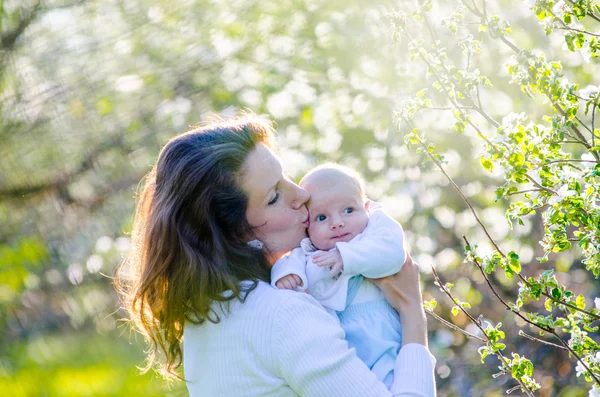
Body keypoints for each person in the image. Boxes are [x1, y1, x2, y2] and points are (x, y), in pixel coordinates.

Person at [116, 116, 436, 397]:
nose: (302, 195)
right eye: (275, 196)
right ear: (236, 234)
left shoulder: (207, 314)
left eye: (287, 178)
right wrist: (411, 313)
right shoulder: (285, 316)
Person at [270, 163, 407, 389]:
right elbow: (287, 261)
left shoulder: (375, 229)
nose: (337, 223)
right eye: (322, 218)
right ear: (307, 226)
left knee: (391, 381)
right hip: (337, 339)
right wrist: (287, 274)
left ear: (366, 206)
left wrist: (347, 257)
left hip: (380, 333)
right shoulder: (309, 251)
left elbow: (394, 253)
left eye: (348, 210)